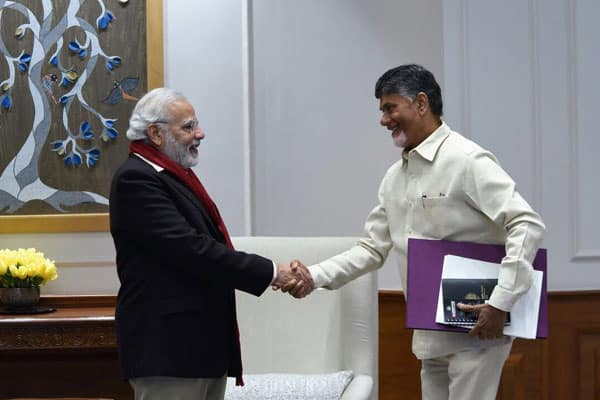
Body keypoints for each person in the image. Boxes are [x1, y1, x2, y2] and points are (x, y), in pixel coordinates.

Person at [278, 64, 545, 400]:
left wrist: (501, 301)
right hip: (429, 334)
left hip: (478, 330)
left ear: (421, 103)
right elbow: (371, 249)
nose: (383, 119)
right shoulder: (394, 178)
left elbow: (527, 222)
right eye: (382, 110)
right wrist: (312, 276)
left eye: (390, 108)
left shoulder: (467, 160)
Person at [109, 87, 312, 400]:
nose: (199, 134)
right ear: (156, 133)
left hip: (199, 349)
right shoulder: (136, 179)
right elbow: (191, 249)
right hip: (169, 353)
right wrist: (272, 272)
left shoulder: (172, 176)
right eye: (188, 127)